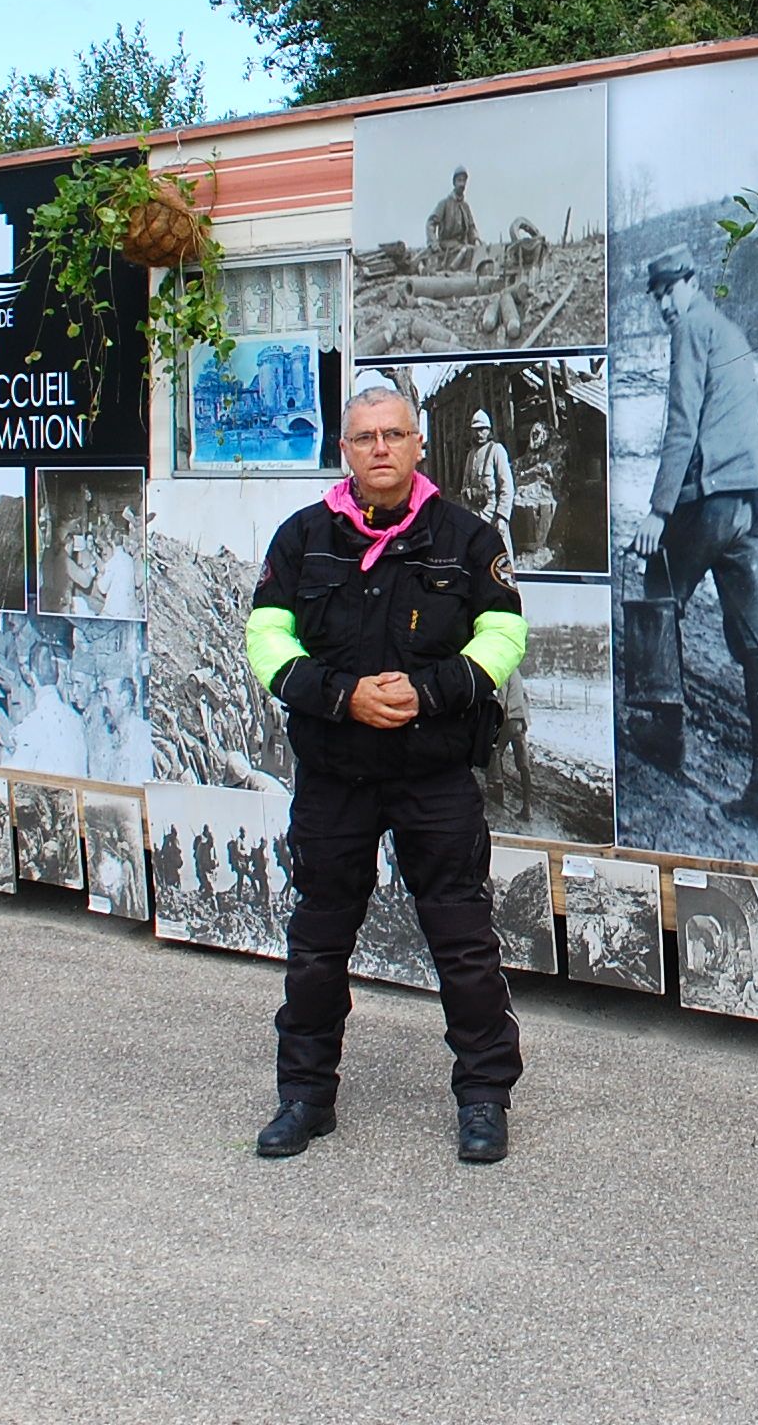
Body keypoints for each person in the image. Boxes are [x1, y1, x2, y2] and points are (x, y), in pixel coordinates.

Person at [245, 385, 529, 1165]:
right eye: (365, 436)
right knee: (316, 943)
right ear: (345, 450)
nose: (379, 449)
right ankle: (304, 1098)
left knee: (463, 941)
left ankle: (484, 1100)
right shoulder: (302, 538)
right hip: (336, 774)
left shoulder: (468, 538)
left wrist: (429, 694)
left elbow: (504, 634)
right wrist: (342, 698)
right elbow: (267, 639)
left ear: (418, 447)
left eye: (393, 435)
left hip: (432, 774)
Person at [626, 248, 758, 823]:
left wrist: (657, 512)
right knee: (755, 637)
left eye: (670, 290)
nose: (664, 304)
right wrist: (751, 469)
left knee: (656, 585)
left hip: (709, 500)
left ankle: (665, 735)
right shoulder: (730, 331)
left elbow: (681, 422)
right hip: (747, 507)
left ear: (691, 283)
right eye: (657, 294)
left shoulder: (692, 329)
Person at [461, 408, 517, 547]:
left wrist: (502, 518)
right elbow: (464, 487)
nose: (480, 433)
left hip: (492, 517)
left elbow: (507, 487)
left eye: (483, 429)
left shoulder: (497, 450)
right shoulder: (471, 455)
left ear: (489, 430)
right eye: (476, 430)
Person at [426, 168, 479, 258]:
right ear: (454, 183)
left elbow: (471, 228)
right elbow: (430, 224)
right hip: (447, 245)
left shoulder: (465, 207)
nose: (462, 184)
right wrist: (434, 244)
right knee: (467, 250)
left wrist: (476, 240)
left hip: (463, 246)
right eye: (459, 180)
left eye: (464, 181)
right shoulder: (445, 204)